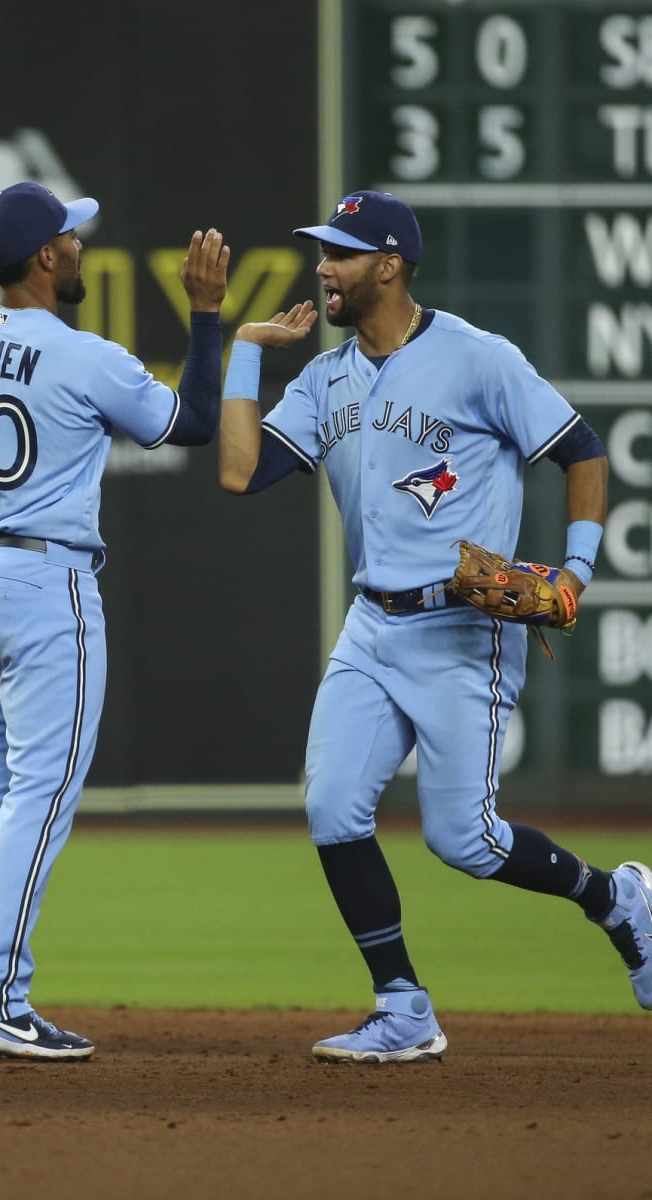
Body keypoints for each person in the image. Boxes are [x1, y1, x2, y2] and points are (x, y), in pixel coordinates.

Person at [218, 189, 652, 1063]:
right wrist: (240, 351)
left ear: (389, 263)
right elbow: (239, 472)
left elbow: (584, 450)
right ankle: (403, 1006)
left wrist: (572, 571)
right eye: (322, 252)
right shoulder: (325, 377)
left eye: (340, 253)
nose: (323, 269)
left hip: (463, 631)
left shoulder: (476, 358)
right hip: (371, 627)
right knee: (334, 807)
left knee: (467, 841)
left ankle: (618, 900)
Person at [0, 182, 229, 1060]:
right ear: (45, 256)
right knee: (40, 792)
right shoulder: (82, 355)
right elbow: (188, 426)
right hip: (44, 581)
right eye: (70, 236)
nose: (79, 245)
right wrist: (204, 314)